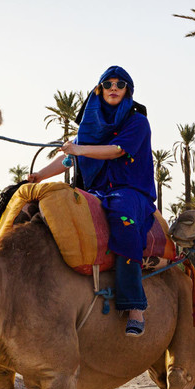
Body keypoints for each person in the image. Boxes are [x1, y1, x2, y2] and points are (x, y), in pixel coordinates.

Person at [28, 65, 157, 337]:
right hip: (97, 191)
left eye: (120, 84)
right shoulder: (91, 130)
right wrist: (39, 175)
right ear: (98, 90)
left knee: (123, 219)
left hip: (130, 192)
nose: (113, 88)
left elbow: (116, 150)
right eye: (108, 83)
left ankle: (135, 306)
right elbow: (67, 159)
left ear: (127, 91)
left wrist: (79, 148)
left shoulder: (137, 122)